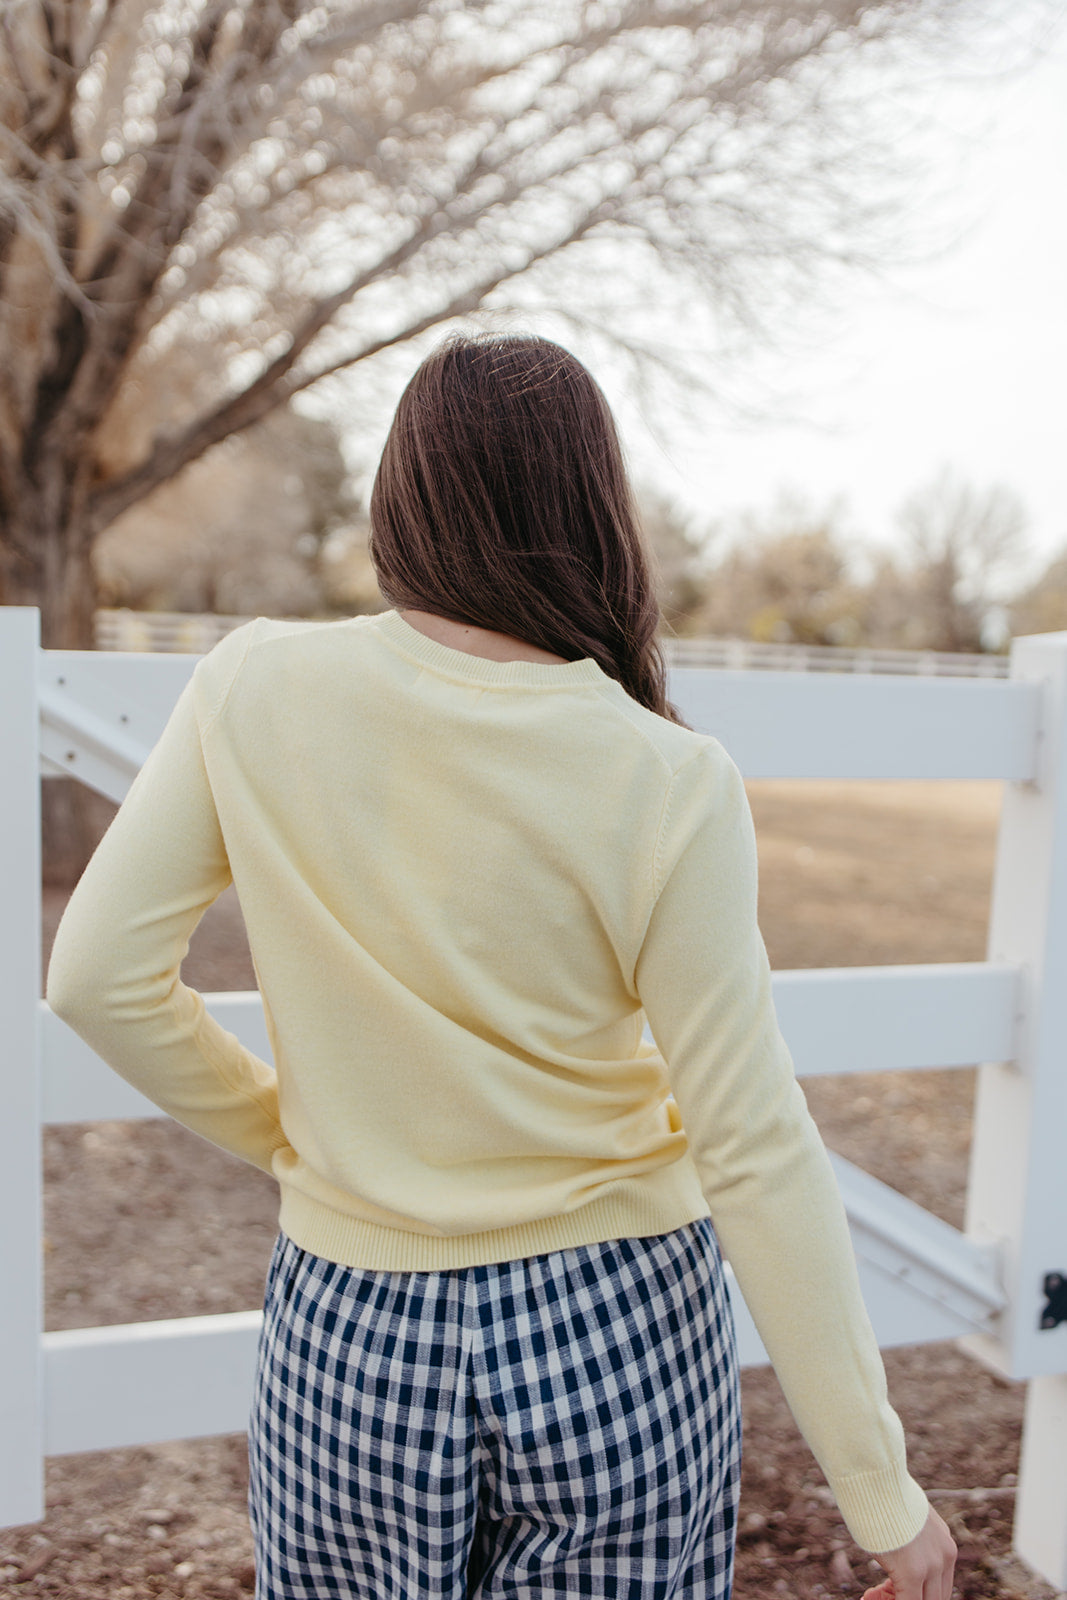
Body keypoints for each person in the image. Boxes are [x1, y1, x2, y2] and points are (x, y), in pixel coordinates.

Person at [47, 332, 957, 1599]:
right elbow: (752, 1142)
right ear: (594, 511)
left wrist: (290, 1137)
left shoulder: (255, 686)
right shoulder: (664, 777)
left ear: (400, 498)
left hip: (350, 1325)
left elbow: (95, 976)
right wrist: (878, 1491)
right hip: (617, 1324)